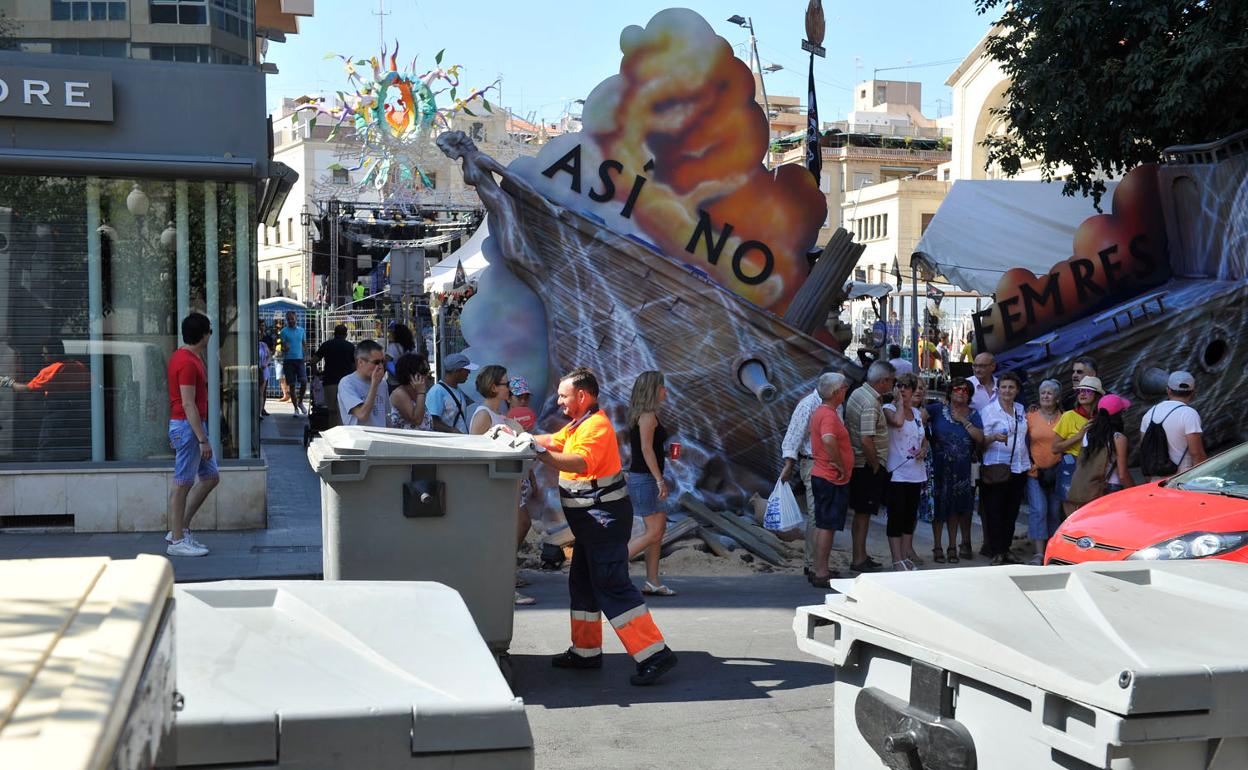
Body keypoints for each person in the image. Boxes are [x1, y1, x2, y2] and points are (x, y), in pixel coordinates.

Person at [534, 367, 678, 686]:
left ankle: (654, 654)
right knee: (583, 584)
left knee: (612, 585)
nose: (558, 402)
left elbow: (577, 462)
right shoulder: (579, 424)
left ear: (582, 396)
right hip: (592, 523)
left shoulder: (596, 427)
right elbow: (554, 441)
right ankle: (585, 652)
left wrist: (539, 453)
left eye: (563, 396)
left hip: (602, 521)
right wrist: (524, 438)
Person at [469, 364, 535, 606]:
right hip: (493, 488)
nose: (510, 388)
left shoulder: (500, 415)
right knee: (502, 536)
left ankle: (502, 582)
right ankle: (502, 587)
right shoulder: (483, 415)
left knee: (510, 533)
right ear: (494, 387)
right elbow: (475, 454)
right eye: (506, 384)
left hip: (506, 486)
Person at [165, 313, 217, 558]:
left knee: (210, 477)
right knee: (182, 483)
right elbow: (188, 404)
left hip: (192, 427)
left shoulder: (188, 357)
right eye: (210, 332)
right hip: (188, 427)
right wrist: (202, 439)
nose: (210, 336)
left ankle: (179, 529)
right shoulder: (186, 362)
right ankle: (176, 541)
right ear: (204, 335)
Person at [780, 365, 839, 577]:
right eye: (841, 386)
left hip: (826, 464)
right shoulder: (808, 405)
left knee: (822, 514)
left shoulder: (833, 405)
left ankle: (817, 562)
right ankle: (814, 564)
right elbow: (794, 435)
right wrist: (789, 464)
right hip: (813, 462)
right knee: (817, 515)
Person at [624, 371, 677, 597]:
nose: (666, 390)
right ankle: (606, 567)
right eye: (662, 386)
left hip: (645, 478)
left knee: (658, 530)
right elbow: (646, 449)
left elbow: (649, 448)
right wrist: (659, 480)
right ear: (653, 390)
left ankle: (653, 581)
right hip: (645, 479)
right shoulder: (647, 416)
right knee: (653, 532)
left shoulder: (647, 415)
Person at [0, 339, 91, 461]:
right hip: (77, 415)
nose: (42, 356)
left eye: (45, 353)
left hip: (56, 414)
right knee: (71, 446)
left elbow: (27, 389)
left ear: (55, 353)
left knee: (47, 446)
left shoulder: (52, 370)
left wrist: (8, 382)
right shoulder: (80, 366)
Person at [926, 377, 985, 563]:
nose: (961, 392)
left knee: (956, 509)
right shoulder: (936, 409)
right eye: (957, 389)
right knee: (938, 509)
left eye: (965, 390)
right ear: (950, 392)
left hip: (961, 469)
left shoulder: (974, 414)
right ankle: (937, 546)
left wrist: (963, 421)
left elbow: (980, 438)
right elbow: (918, 420)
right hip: (939, 467)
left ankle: (953, 546)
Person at [845, 360, 896, 573]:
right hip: (866, 466)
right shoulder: (870, 403)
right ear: (883, 381)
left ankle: (861, 555)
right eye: (892, 381)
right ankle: (858, 559)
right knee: (863, 514)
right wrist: (875, 464)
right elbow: (867, 440)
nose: (893, 385)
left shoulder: (860, 393)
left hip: (861, 463)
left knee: (862, 514)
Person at [978, 371, 1029, 565]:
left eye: (1011, 387)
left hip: (1019, 467)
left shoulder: (1021, 409)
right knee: (995, 511)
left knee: (1011, 511)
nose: (1007, 391)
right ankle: (996, 551)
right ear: (998, 390)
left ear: (1017, 390)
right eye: (1004, 387)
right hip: (997, 467)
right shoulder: (989, 411)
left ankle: (1006, 549)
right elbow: (981, 441)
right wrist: (993, 437)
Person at [807, 372, 853, 588]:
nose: (846, 390)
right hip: (830, 477)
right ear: (836, 392)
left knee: (822, 523)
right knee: (827, 525)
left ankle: (818, 568)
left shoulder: (824, 412)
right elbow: (828, 439)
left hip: (823, 474)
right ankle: (821, 571)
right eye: (844, 387)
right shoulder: (828, 415)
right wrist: (840, 464)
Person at [881, 373, 928, 571]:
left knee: (910, 516)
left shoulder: (917, 414)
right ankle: (896, 558)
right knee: (897, 516)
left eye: (907, 386)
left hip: (916, 472)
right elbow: (898, 422)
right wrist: (900, 403)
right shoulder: (889, 409)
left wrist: (924, 449)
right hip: (897, 473)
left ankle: (906, 553)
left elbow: (922, 437)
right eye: (899, 386)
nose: (903, 389)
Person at [1069, 394, 1135, 507]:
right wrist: (1135, 491)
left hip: (1091, 488)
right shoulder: (1118, 438)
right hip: (1111, 489)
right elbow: (1122, 474)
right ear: (1119, 415)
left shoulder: (1088, 434)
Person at [1139, 371, 1207, 479]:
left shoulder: (1149, 414)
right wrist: (1204, 480)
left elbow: (1144, 449)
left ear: (1168, 390)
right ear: (1193, 392)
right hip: (1184, 480)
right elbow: (1196, 453)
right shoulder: (1189, 414)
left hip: (1156, 481)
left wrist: (1149, 479)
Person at [1052, 376, 1103, 517]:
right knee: (1073, 517)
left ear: (1097, 395)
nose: (1082, 394)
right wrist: (1078, 437)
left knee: (1093, 515)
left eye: (1088, 391)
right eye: (1080, 391)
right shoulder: (1068, 416)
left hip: (1094, 468)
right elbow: (1055, 448)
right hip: (1071, 467)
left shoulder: (1101, 418)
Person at [1025, 380, 1064, 563]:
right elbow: (1022, 441)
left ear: (1057, 398)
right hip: (1035, 472)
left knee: (1055, 511)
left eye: (1050, 393)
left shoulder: (1065, 417)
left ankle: (1052, 551)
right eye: (1043, 393)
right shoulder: (1030, 416)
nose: (1046, 396)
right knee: (1038, 510)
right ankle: (1039, 553)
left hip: (1057, 472)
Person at [311, 324, 356, 429]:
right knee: (343, 410)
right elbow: (354, 366)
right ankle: (342, 431)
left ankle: (332, 431)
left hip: (329, 381)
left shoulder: (326, 345)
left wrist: (316, 373)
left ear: (334, 333)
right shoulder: (350, 347)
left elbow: (313, 361)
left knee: (332, 411)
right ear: (346, 334)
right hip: (346, 383)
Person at [336, 340, 390, 427]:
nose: (380, 366)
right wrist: (374, 385)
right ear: (360, 362)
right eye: (376, 362)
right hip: (359, 438)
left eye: (382, 362)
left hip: (380, 436)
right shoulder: (347, 383)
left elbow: (387, 416)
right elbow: (362, 415)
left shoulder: (382, 383)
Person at [426, 352, 476, 433]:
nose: (469, 373)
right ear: (456, 371)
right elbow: (432, 421)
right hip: (448, 442)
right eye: (466, 370)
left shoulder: (457, 390)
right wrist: (452, 430)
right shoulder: (437, 391)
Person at [389, 353, 431, 430]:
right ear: (410, 375)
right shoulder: (399, 393)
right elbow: (417, 420)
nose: (428, 374)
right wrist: (421, 392)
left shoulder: (417, 393)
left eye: (428, 370)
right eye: (424, 371)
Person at [279, 311, 307, 414]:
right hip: (288, 361)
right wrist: (284, 348)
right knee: (292, 385)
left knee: (304, 382)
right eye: (289, 319)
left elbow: (304, 344)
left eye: (292, 318)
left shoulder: (301, 330)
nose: (291, 320)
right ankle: (295, 408)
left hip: (299, 360)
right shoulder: (283, 332)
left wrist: (306, 355)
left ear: (296, 318)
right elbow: (282, 347)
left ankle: (300, 402)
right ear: (286, 320)